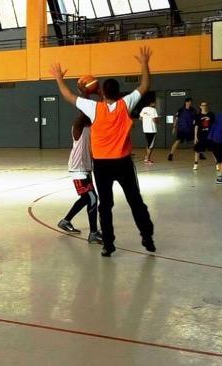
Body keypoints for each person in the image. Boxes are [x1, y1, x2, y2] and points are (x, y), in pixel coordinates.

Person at [50, 46, 155, 257]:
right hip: (123, 162)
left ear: (102, 92)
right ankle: (147, 237)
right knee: (135, 201)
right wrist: (144, 63)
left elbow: (69, 96)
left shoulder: (94, 108)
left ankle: (108, 245)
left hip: (102, 166)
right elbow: (144, 85)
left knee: (105, 206)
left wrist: (59, 78)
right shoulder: (126, 103)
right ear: (118, 93)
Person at [57, 111, 102, 244]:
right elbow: (82, 114)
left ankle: (65, 221)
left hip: (86, 169)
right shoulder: (78, 127)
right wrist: (86, 95)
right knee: (93, 198)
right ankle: (93, 233)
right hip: (78, 170)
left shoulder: (91, 128)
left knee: (85, 198)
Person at [193, 101, 214, 170]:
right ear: (200, 107)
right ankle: (196, 164)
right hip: (201, 135)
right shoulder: (198, 116)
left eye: (205, 105)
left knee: (214, 150)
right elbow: (196, 126)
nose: (204, 106)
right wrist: (195, 136)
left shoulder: (211, 114)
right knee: (197, 150)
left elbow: (214, 125)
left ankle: (217, 164)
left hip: (209, 135)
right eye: (203, 105)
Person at [139, 100, 159, 164]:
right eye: (154, 102)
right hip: (152, 130)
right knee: (151, 145)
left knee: (148, 144)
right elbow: (154, 119)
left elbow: (140, 118)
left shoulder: (144, 109)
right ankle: (147, 159)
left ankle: (146, 157)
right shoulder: (153, 110)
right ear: (151, 103)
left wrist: (146, 121)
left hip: (145, 129)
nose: (155, 103)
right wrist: (158, 123)